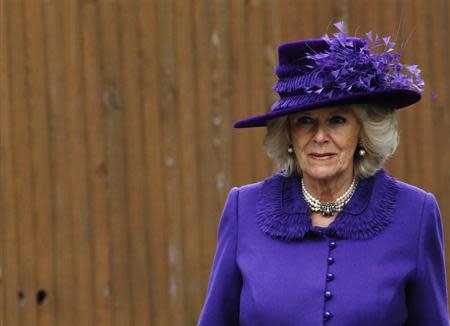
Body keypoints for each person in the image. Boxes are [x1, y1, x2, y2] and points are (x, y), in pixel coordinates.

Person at [198, 22, 449, 326]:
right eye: (305, 121)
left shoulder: (416, 213)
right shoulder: (244, 210)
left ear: (363, 130)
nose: (320, 136)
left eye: (337, 120)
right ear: (288, 133)